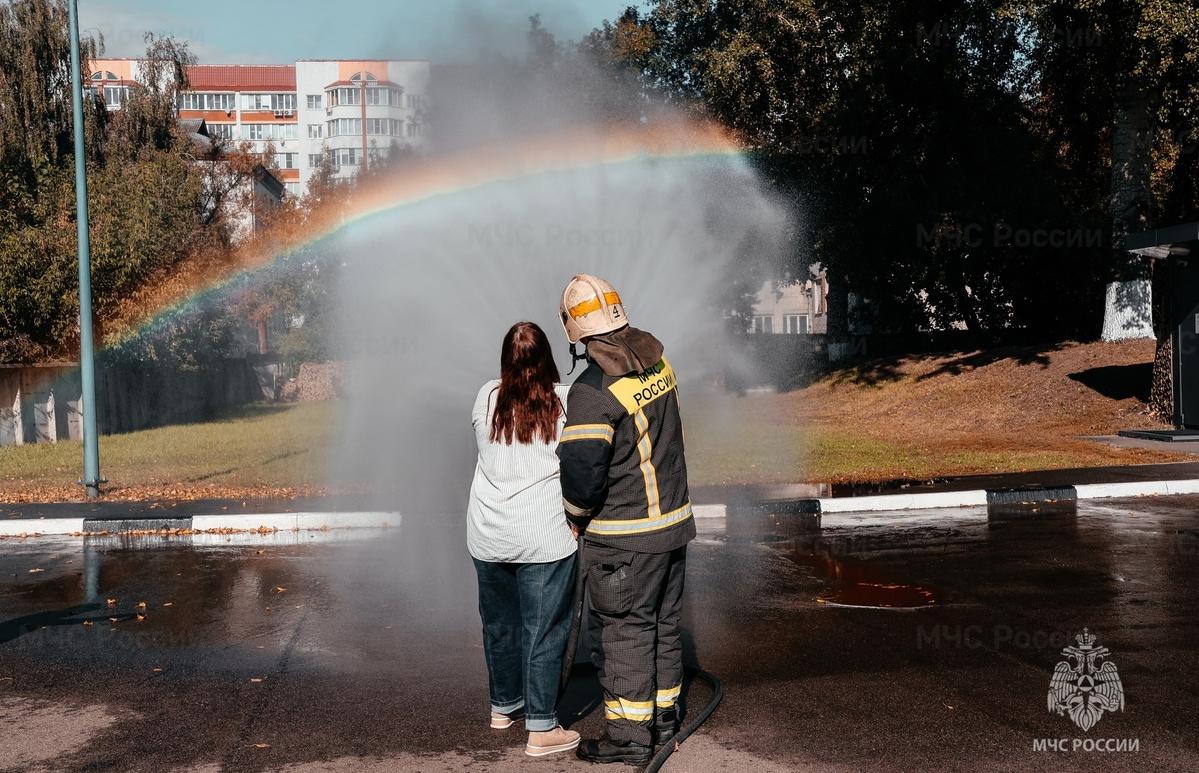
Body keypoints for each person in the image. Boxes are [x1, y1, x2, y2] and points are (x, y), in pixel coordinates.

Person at [555, 274, 695, 765]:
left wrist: (575, 514)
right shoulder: (658, 365)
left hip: (625, 538)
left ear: (576, 332)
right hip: (673, 526)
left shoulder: (592, 392)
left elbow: (582, 472)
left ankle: (631, 738)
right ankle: (664, 717)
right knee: (662, 622)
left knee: (625, 630)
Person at [467, 321, 581, 758]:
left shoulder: (487, 396)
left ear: (505, 361)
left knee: (500, 624)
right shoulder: (566, 402)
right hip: (545, 534)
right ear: (549, 359)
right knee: (544, 631)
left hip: (489, 532)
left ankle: (503, 706)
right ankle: (541, 729)